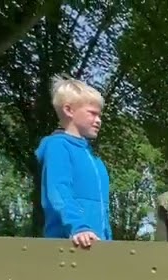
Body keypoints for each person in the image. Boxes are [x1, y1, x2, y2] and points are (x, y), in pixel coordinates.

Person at [35, 75, 111, 249]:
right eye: (92, 113)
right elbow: (59, 191)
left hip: (95, 244)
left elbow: (102, 210)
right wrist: (79, 226)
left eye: (99, 115)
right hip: (70, 244)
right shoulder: (58, 147)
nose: (98, 120)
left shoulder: (93, 158)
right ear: (69, 110)